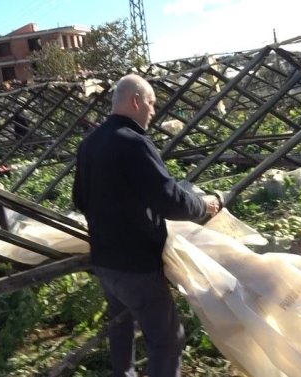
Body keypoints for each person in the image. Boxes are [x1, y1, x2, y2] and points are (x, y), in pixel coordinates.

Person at [72, 74, 221, 377]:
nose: (153, 111)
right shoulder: (134, 142)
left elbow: (79, 199)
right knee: (167, 339)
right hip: (136, 266)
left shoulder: (90, 143)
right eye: (151, 103)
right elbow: (168, 200)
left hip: (105, 261)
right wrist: (202, 206)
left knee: (121, 325)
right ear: (136, 101)